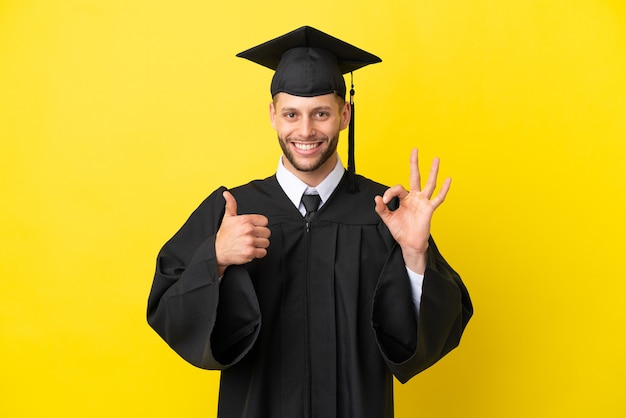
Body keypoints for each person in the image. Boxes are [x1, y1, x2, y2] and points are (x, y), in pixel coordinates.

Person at [147, 26, 472, 418]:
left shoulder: (387, 213)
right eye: (291, 114)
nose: (305, 131)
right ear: (272, 115)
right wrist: (214, 259)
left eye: (321, 113)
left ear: (344, 115)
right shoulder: (233, 210)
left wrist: (415, 257)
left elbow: (432, 337)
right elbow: (168, 310)